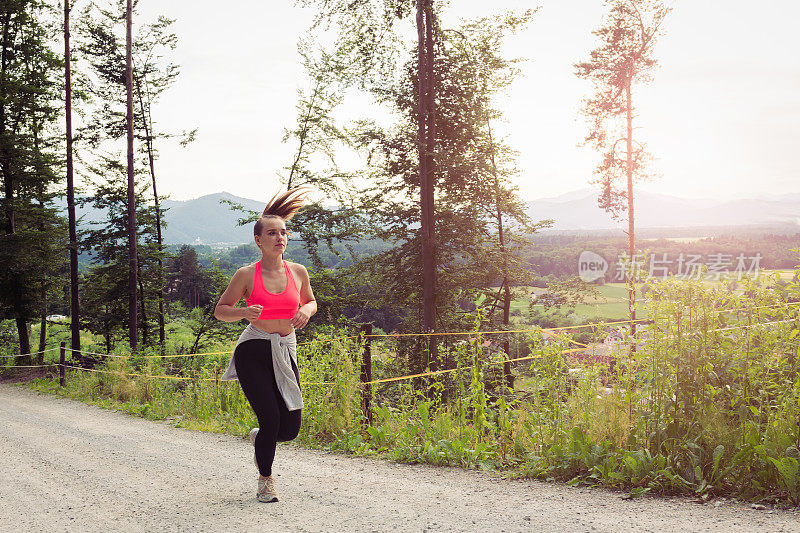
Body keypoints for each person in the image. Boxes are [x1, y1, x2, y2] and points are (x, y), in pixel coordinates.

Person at [214, 187, 317, 503]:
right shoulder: (246, 274)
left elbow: (311, 301)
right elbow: (221, 311)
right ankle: (265, 480)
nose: (279, 238)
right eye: (272, 233)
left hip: (285, 349)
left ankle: (262, 440)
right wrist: (244, 311)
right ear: (258, 240)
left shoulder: (298, 271)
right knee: (270, 417)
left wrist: (305, 311)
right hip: (254, 351)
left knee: (289, 429)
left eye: (283, 233)